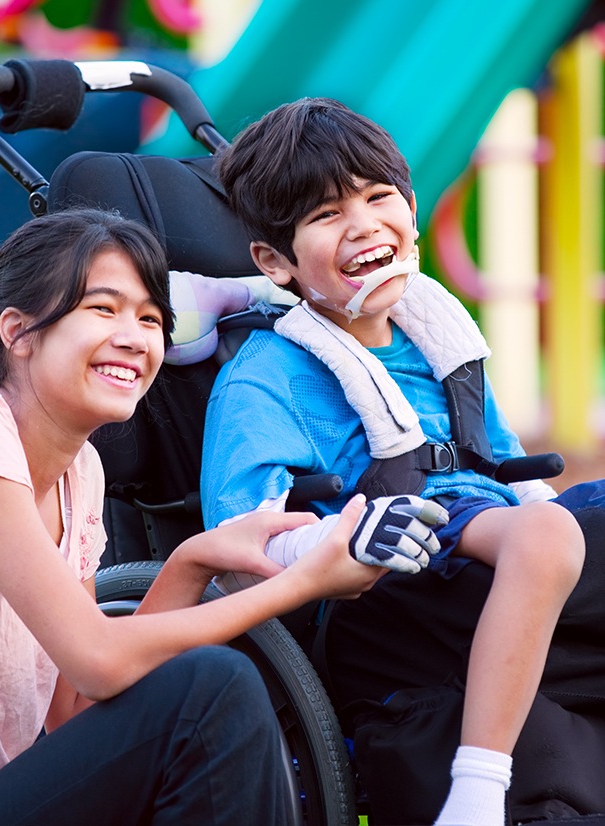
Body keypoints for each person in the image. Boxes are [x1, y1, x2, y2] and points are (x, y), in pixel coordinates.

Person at [0, 207, 409, 826]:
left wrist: (191, 562)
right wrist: (304, 583)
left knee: (207, 702)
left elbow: (74, 708)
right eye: (103, 309)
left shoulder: (80, 473)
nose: (135, 337)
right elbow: (98, 656)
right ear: (18, 330)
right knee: (213, 688)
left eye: (150, 318)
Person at [200, 98, 591, 825]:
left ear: (411, 209)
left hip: (490, 536)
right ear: (274, 262)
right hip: (393, 570)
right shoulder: (269, 375)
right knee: (549, 536)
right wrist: (335, 539)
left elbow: (506, 469)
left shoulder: (434, 336)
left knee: (570, 521)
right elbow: (237, 539)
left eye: (378, 197)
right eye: (325, 216)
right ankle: (476, 793)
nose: (362, 224)